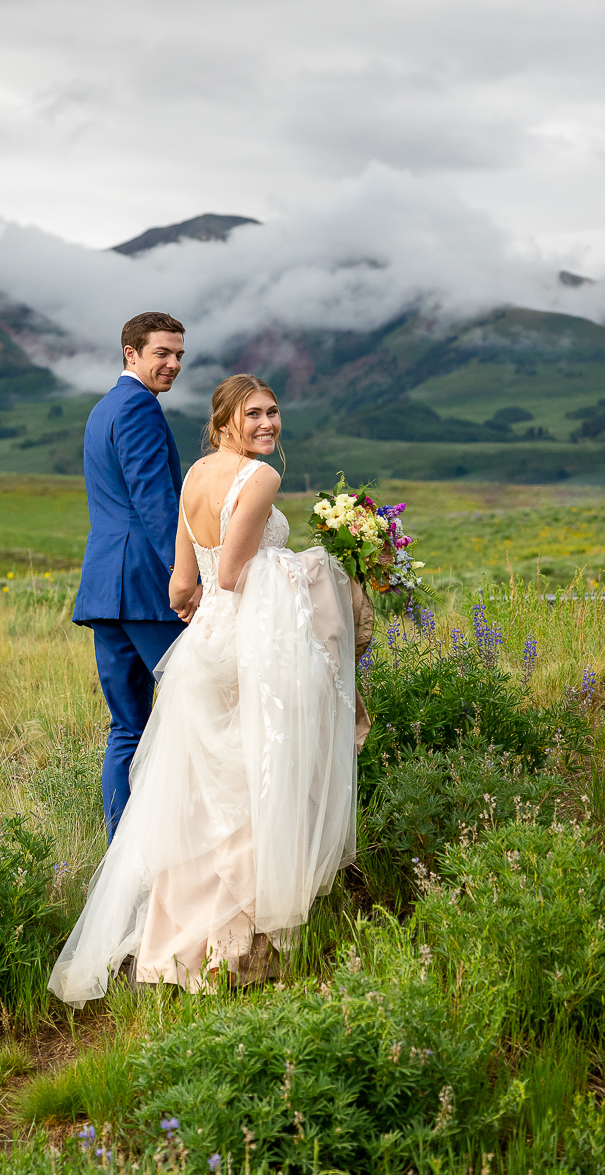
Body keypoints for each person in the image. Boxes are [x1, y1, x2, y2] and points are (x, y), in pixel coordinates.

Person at [50, 374, 370, 1008]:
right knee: (257, 786)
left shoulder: (194, 476)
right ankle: (235, 953)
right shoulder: (262, 480)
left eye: (274, 412)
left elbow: (180, 586)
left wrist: (203, 602)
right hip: (251, 647)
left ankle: (175, 950)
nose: (268, 424)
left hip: (202, 649)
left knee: (203, 799)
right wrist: (325, 566)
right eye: (254, 414)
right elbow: (235, 573)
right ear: (225, 419)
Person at [72, 311, 200, 838]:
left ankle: (120, 848)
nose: (172, 365)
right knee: (195, 704)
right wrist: (186, 574)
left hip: (105, 586)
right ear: (131, 353)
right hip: (148, 587)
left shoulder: (103, 408)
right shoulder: (140, 408)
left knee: (127, 726)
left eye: (178, 356)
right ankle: (180, 841)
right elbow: (156, 501)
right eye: (161, 354)